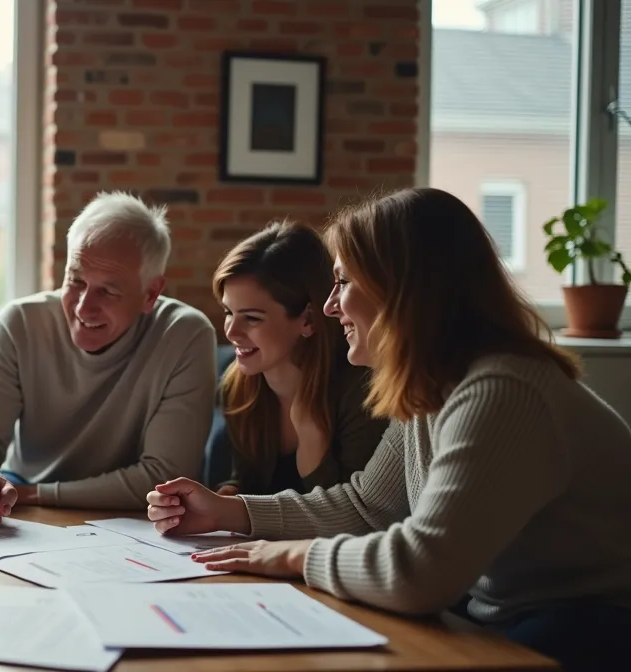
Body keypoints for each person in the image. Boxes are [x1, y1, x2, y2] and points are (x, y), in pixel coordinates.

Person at [145, 187, 631, 671]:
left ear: (402, 291)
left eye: (343, 283)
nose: (332, 307)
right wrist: (228, 511)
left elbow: (421, 571)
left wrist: (291, 556)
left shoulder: (501, 389)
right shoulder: (432, 385)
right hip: (499, 613)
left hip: (588, 623)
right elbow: (366, 506)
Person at [0, 190, 218, 523]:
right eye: (75, 280)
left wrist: (40, 495)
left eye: (108, 291)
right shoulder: (21, 321)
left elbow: (165, 477)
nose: (83, 306)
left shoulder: (185, 334)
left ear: (151, 294)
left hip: (129, 508)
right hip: (22, 486)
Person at [212, 221, 387, 496]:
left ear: (309, 318)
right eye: (228, 313)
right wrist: (224, 496)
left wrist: (311, 438)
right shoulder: (238, 385)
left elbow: (356, 514)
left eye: (252, 318)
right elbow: (248, 483)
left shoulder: (363, 393)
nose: (232, 332)